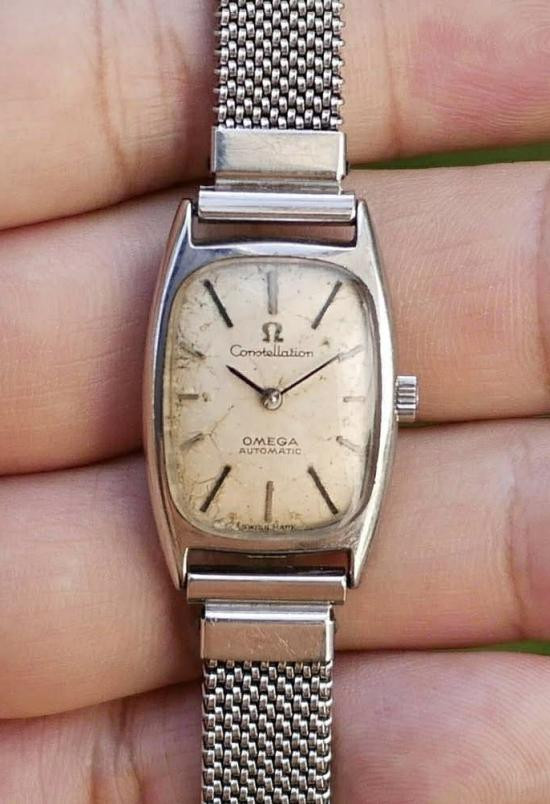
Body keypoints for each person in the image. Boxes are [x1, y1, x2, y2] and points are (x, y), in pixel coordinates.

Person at [1, 1, 550, 801]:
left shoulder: (287, 257)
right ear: (395, 400)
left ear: (391, 400)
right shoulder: (243, 256)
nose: (270, 392)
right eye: (265, 386)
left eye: (278, 387)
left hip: (288, 539)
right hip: (226, 537)